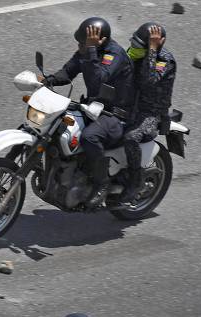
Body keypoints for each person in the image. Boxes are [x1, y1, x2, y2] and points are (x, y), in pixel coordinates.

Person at [44, 17, 135, 208]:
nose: (79, 46)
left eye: (82, 42)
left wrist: (90, 50)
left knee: (89, 137)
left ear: (99, 41)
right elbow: (68, 71)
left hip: (116, 116)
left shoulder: (114, 55)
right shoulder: (87, 51)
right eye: (80, 43)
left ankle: (101, 184)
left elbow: (97, 81)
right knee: (55, 127)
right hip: (93, 109)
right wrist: (47, 81)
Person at [121, 23, 176, 204]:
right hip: (130, 106)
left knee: (130, 137)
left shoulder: (164, 60)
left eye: (140, 46)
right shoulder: (138, 53)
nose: (135, 49)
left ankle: (135, 181)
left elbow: (149, 80)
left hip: (151, 113)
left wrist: (152, 49)